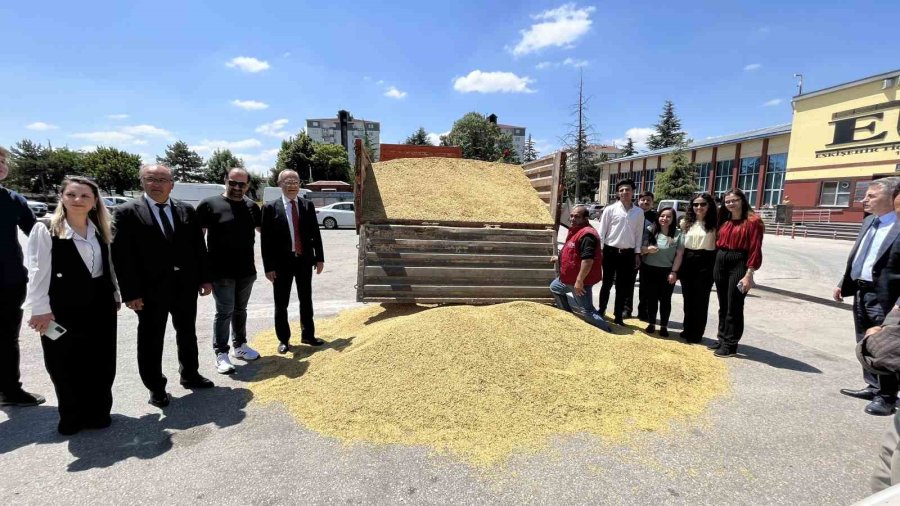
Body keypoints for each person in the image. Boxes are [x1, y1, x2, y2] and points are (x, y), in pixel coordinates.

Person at [112, 164, 214, 409]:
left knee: (187, 332)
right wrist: (131, 293)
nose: (156, 184)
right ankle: (156, 387)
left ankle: (190, 373)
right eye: (151, 179)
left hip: (185, 286)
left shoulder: (185, 210)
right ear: (142, 182)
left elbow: (198, 247)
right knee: (151, 339)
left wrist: (204, 278)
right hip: (148, 291)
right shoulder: (126, 212)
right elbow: (121, 256)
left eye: (162, 179)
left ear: (172, 184)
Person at [23, 177, 119, 435]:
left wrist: (116, 295)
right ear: (62, 197)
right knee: (63, 363)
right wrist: (40, 309)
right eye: (72, 195)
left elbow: (108, 266)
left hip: (100, 305)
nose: (78, 200)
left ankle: (98, 412)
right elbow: (37, 271)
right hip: (61, 307)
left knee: (101, 361)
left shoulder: (100, 227)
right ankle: (71, 416)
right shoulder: (47, 229)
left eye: (85, 196)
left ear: (94, 200)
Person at [835, 176, 900, 416]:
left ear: (892, 197)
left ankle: (887, 397)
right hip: (862, 291)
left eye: (871, 196)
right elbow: (861, 256)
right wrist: (844, 282)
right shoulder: (870, 222)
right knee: (865, 340)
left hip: (888, 298)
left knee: (886, 346)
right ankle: (873, 386)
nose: (864, 200)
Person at [197, 168, 262, 375]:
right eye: (232, 183)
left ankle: (240, 346)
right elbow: (197, 242)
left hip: (246, 271)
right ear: (225, 181)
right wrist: (202, 275)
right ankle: (221, 353)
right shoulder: (209, 205)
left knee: (240, 310)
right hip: (220, 272)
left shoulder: (252, 207)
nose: (236, 187)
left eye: (241, 184)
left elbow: (267, 234)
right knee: (224, 312)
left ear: (248, 186)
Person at [0, 145, 45, 407]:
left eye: (4, 160)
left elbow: (37, 233)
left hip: (9, 282)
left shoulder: (13, 199)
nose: (2, 165)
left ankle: (10, 390)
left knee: (7, 340)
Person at [261, 170, 326, 354]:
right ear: (279, 184)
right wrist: (269, 267)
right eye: (287, 182)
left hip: (304, 261)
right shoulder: (270, 208)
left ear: (299, 184)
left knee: (306, 299)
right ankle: (284, 339)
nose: (292, 185)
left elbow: (315, 233)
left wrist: (319, 257)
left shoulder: (307, 205)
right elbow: (266, 241)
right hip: (281, 264)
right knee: (281, 303)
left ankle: (308, 335)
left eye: (295, 181)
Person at [712, 188, 764, 357]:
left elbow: (755, 248)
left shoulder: (753, 221)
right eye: (727, 201)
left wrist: (749, 274)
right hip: (721, 260)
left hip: (739, 261)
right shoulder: (724, 219)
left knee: (734, 304)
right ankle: (722, 337)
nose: (730, 204)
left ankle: (731, 343)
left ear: (742, 200)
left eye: (734, 200)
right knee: (723, 303)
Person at [549, 205, 611, 332]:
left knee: (587, 310)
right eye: (571, 216)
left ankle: (607, 331)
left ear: (586, 218)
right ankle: (568, 315)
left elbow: (588, 260)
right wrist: (559, 258)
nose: (572, 219)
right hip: (568, 278)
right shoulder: (576, 230)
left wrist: (579, 281)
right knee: (555, 287)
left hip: (579, 280)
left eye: (577, 216)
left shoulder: (587, 235)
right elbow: (572, 251)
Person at [597, 178, 644, 326]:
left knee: (622, 287)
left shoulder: (638, 212)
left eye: (627, 190)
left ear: (633, 192)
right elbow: (601, 232)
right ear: (618, 192)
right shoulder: (610, 209)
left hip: (628, 254)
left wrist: (637, 254)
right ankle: (601, 310)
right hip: (610, 252)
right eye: (622, 190)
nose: (624, 192)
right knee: (607, 283)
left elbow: (638, 235)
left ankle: (618, 315)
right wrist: (601, 250)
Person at [678, 192, 718, 344]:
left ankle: (697, 333)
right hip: (688, 261)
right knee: (687, 298)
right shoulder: (685, 223)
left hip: (705, 262)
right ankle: (687, 328)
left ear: (709, 206)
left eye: (702, 204)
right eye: (695, 204)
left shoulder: (714, 224)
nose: (699, 207)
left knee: (700, 300)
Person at [639, 207, 683, 337]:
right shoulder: (650, 230)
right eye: (662, 216)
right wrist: (647, 250)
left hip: (667, 271)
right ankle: (651, 323)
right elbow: (641, 249)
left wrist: (674, 272)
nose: (665, 219)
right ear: (658, 217)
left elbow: (679, 255)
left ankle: (664, 326)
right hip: (649, 269)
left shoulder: (678, 234)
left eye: (669, 216)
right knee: (651, 299)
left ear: (673, 219)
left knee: (665, 300)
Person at [631, 191, 657, 321]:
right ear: (638, 200)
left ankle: (643, 312)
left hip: (648, 255)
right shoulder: (633, 214)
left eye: (648, 200)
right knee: (628, 283)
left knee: (645, 285)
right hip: (632, 253)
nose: (645, 202)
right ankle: (626, 309)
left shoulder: (656, 218)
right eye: (643, 200)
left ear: (652, 203)